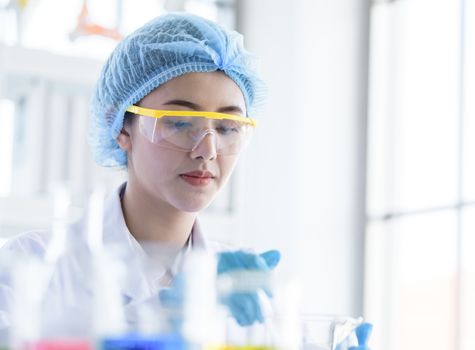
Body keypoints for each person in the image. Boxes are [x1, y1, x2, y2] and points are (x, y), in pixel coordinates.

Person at [0, 12, 280, 337]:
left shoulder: (238, 286)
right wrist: (169, 313)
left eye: (228, 127)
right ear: (122, 127)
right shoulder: (31, 266)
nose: (207, 150)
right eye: (178, 122)